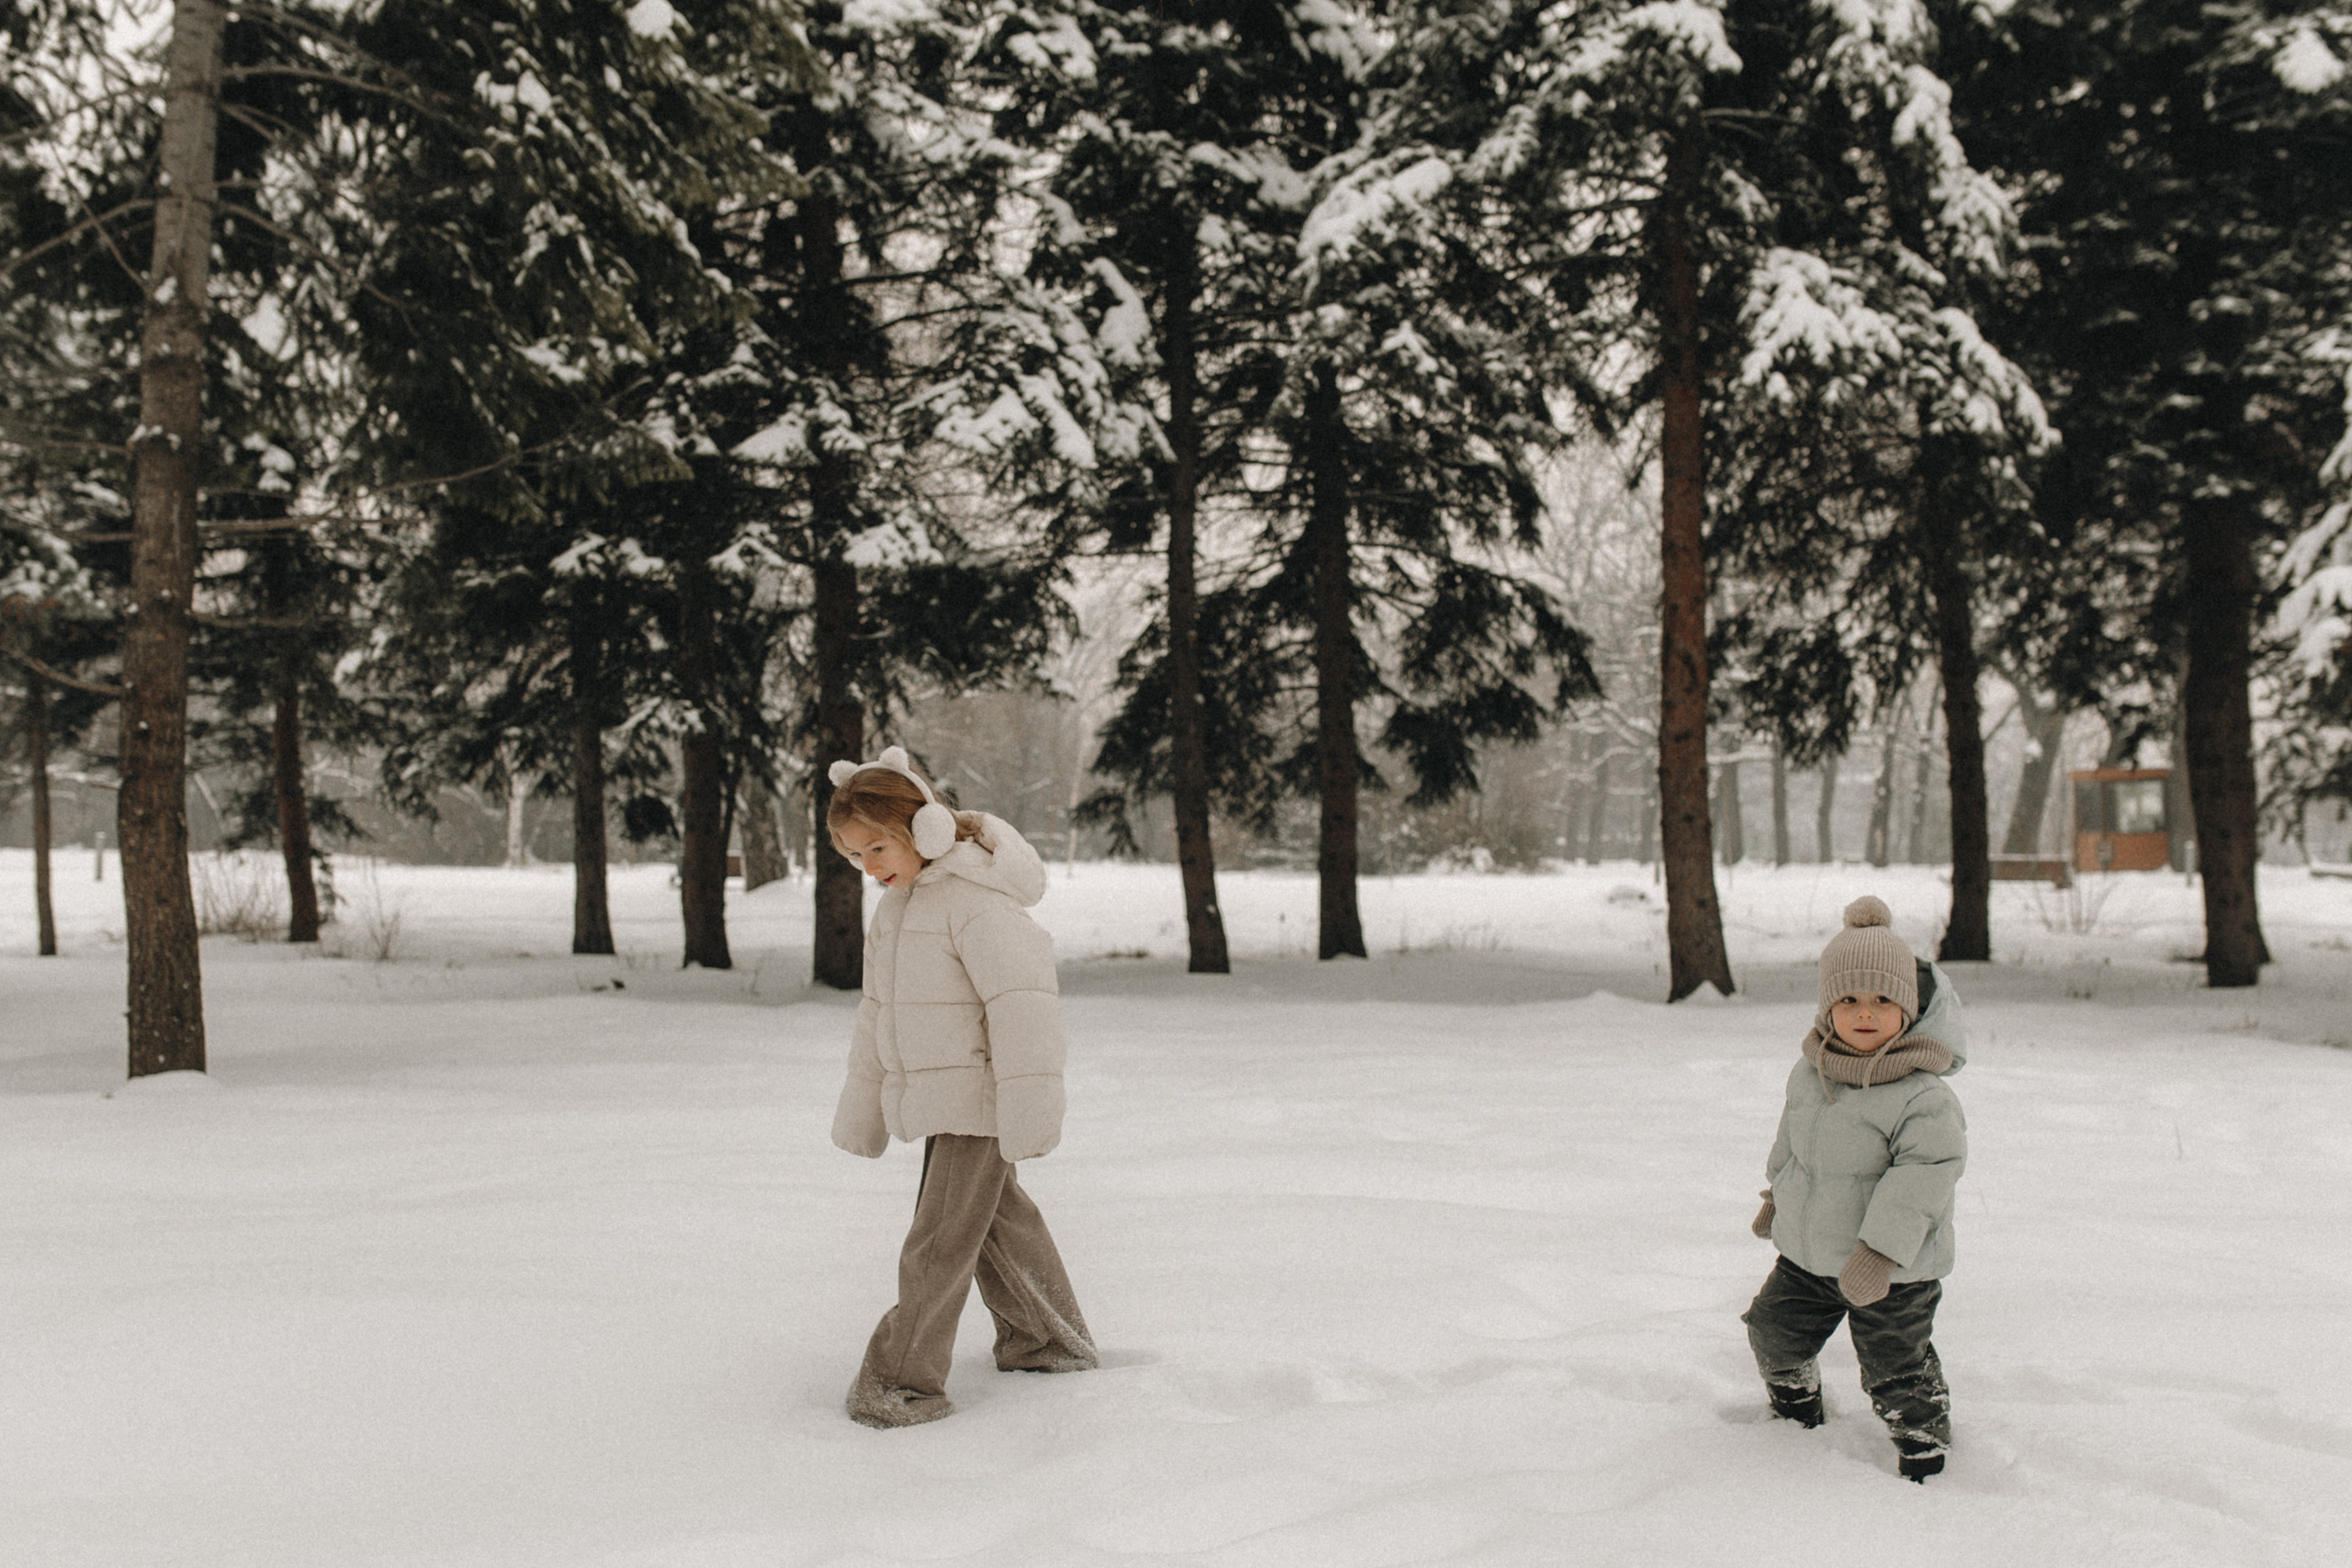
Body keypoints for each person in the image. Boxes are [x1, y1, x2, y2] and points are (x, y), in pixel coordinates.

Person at [826, 747, 1097, 1429]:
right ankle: (1048, 1339)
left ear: (925, 828)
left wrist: (1030, 1109)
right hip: (941, 1103)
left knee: (939, 1240)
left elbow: (1024, 1005)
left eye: (878, 845)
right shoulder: (898, 908)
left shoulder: (973, 900)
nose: (870, 866)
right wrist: (864, 1109)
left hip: (977, 1102)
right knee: (997, 1225)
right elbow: (877, 1012)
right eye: (855, 855)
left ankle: (901, 1382)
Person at [1744, 896, 1968, 1481]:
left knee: (1895, 1367)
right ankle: (1795, 1413)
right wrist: (1778, 1197)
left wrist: (1879, 1251)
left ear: (1908, 1009)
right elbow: (1795, 1144)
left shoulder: (1922, 1096)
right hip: (1810, 1256)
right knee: (1772, 1331)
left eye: (1882, 1000)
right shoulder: (1812, 1072)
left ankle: (1923, 1446)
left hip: (1893, 1272)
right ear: (1827, 1006)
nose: (1864, 1013)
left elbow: (1924, 1178)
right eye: (1848, 999)